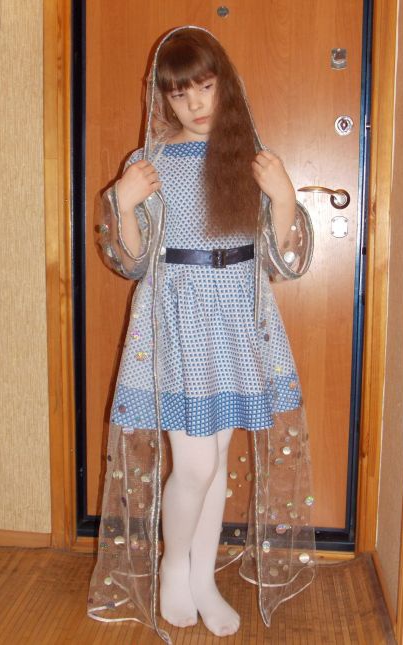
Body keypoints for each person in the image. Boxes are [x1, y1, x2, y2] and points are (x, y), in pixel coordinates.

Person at [88, 26, 316, 645]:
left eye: (206, 86)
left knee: (215, 461)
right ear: (163, 98)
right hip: (177, 318)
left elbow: (284, 259)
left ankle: (201, 576)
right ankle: (174, 567)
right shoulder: (150, 162)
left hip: (237, 316)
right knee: (194, 462)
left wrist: (285, 200)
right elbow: (131, 261)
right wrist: (124, 204)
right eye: (179, 92)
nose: (194, 102)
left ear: (226, 86)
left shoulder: (250, 157)